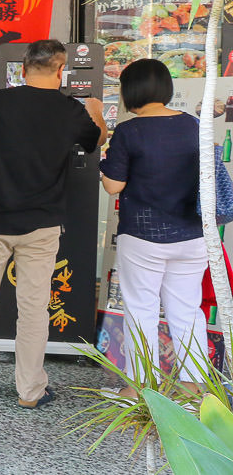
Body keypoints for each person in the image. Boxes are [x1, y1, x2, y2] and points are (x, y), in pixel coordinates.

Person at [0, 39, 106, 408]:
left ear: (22, 70)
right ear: (60, 70)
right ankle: (30, 390)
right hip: (40, 224)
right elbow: (95, 141)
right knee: (34, 308)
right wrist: (97, 110)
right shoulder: (71, 110)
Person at [99, 58, 207, 394]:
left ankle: (140, 390)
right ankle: (194, 393)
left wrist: (105, 165)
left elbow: (114, 186)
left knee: (141, 309)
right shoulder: (194, 125)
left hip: (144, 238)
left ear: (129, 92)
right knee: (188, 312)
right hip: (192, 236)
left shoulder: (131, 131)